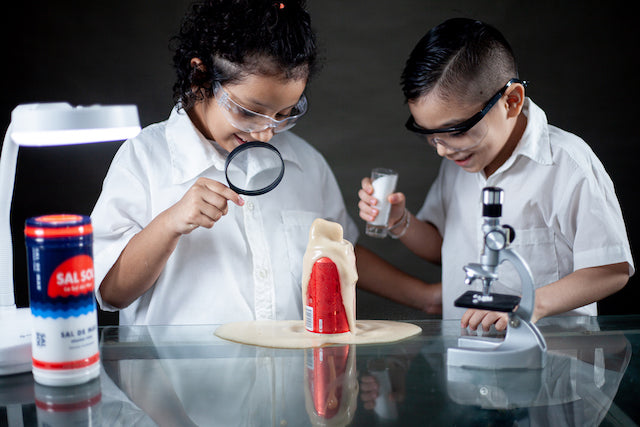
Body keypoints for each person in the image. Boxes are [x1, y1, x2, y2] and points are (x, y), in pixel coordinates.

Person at [92, 0, 440, 325]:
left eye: (284, 115)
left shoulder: (305, 162)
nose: (265, 133)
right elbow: (110, 292)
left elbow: (341, 254)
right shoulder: (144, 158)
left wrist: (426, 297)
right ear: (200, 76)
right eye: (248, 111)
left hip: (287, 387)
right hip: (177, 386)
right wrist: (170, 223)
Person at [358, 18, 634, 331]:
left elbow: (611, 268)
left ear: (512, 101)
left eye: (456, 131)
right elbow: (442, 249)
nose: (441, 150)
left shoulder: (566, 163)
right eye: (430, 135)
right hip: (466, 358)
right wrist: (398, 219)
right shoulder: (458, 162)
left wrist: (529, 304)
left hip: (553, 364)